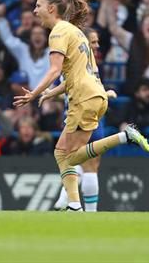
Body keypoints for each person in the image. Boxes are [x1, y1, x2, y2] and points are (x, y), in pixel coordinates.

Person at [13, 0, 149, 212]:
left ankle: (124, 136)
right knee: (64, 154)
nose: (34, 10)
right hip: (95, 95)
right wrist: (51, 93)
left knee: (70, 156)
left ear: (51, 8)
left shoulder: (58, 32)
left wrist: (35, 93)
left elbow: (54, 69)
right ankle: (75, 205)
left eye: (38, 6)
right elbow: (73, 75)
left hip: (84, 99)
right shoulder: (74, 31)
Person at [43, 27, 117, 212]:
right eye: (93, 42)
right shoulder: (87, 65)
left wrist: (51, 93)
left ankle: (68, 200)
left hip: (79, 117)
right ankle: (82, 208)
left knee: (73, 159)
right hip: (89, 117)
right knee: (84, 163)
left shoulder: (77, 63)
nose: (96, 45)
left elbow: (72, 88)